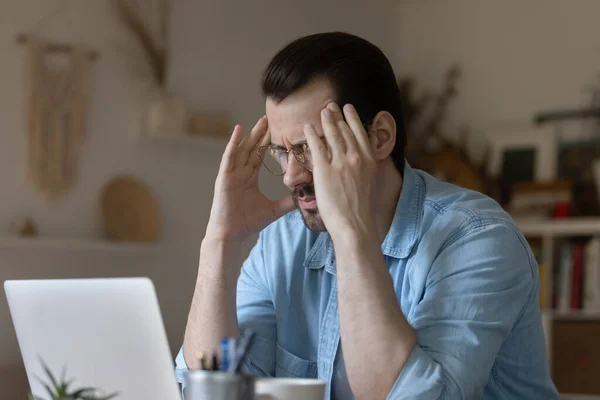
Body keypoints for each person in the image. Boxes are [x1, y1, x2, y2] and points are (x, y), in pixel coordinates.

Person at [175, 31, 559, 399]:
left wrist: (351, 233)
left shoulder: (478, 239)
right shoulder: (284, 241)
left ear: (379, 138)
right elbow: (214, 388)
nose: (291, 175)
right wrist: (220, 244)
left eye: (312, 147)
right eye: (281, 151)